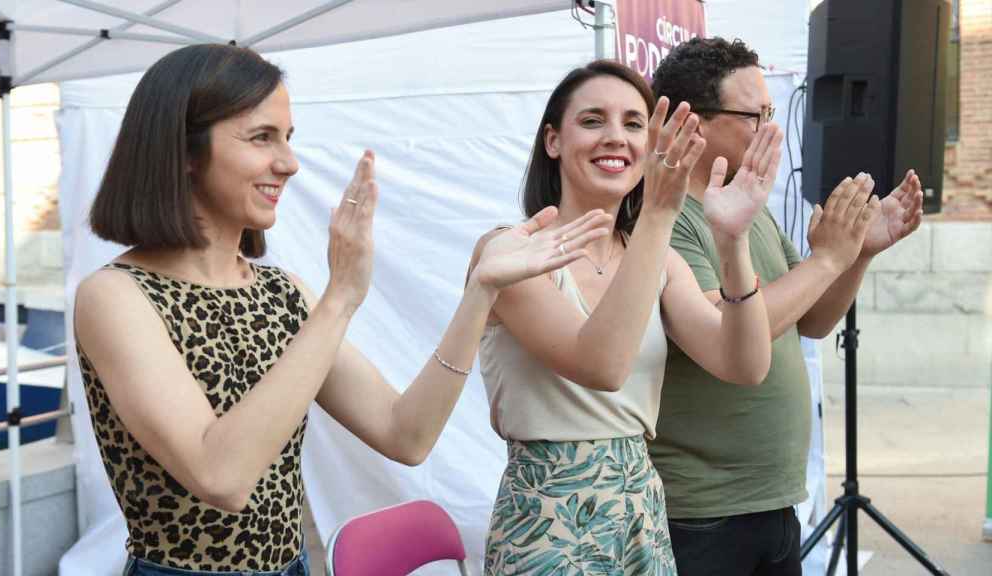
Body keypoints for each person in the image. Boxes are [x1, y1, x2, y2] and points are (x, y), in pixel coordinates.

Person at [73, 44, 612, 576]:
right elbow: (221, 476)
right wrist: (340, 299)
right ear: (185, 152)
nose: (288, 162)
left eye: (287, 138)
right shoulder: (116, 296)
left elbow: (406, 435)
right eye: (262, 137)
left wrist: (480, 293)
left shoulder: (281, 291)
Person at [477, 60, 782, 575]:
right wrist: (659, 215)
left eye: (634, 124)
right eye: (593, 121)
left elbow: (745, 364)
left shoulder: (658, 259)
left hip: (640, 508)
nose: (615, 137)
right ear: (553, 140)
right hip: (547, 518)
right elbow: (601, 366)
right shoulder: (510, 251)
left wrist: (732, 242)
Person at [647, 37, 924, 576]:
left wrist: (856, 254)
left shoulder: (751, 210)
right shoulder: (669, 217)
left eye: (770, 112)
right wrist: (827, 260)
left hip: (772, 502)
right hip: (702, 513)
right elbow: (731, 338)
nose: (769, 129)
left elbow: (813, 321)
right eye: (754, 115)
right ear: (694, 123)